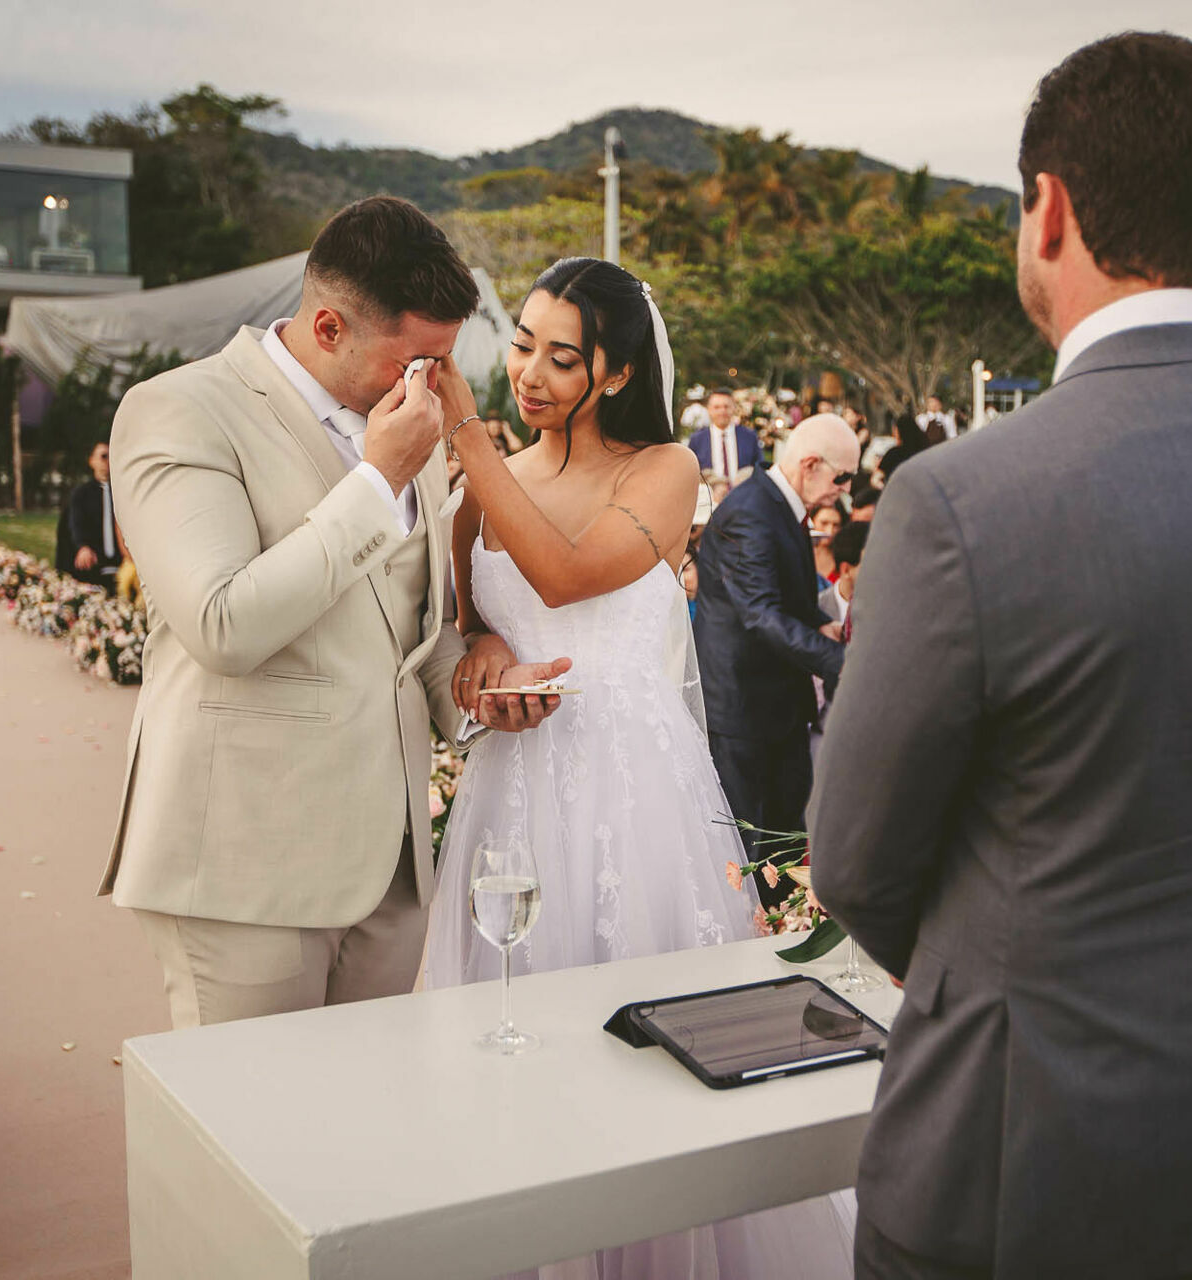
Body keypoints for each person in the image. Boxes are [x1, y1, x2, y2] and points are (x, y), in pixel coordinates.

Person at [810, 33, 1192, 1280]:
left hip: (1016, 1163)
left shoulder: (963, 498)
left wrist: (1015, 982)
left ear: (1050, 209)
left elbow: (856, 862)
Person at [422, 256, 854, 1278]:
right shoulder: (487, 480)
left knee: (646, 1053)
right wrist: (483, 669)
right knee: (513, 1040)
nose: (527, 371)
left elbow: (567, 574)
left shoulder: (662, 469)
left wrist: (470, 442)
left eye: (561, 356)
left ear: (615, 373)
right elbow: (471, 626)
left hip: (633, 794)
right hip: (512, 793)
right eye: (521, 342)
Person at [101, 197, 565, 1030]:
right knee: (248, 1137)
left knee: (360, 1134)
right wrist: (376, 481)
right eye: (414, 359)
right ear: (327, 328)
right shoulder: (181, 410)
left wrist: (474, 679)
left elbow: (406, 626)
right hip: (247, 867)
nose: (432, 382)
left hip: (389, 874)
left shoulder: (403, 425)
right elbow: (222, 625)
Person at [694, 414, 857, 902]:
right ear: (810, 465)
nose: (844, 492)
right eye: (842, 478)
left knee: (789, 845)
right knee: (754, 855)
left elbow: (784, 597)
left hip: (778, 706)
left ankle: (787, 931)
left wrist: (818, 622)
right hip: (745, 711)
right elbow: (761, 614)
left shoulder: (778, 504)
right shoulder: (752, 511)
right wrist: (845, 662)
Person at [55, 440, 123, 589]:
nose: (108, 461)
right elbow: (76, 523)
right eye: (103, 456)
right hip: (94, 559)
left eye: (112, 456)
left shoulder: (123, 493)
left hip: (121, 562)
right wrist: (82, 546)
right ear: (92, 461)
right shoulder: (81, 494)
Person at [687, 387, 760, 483]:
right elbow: (691, 474)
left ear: (734, 408)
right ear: (709, 409)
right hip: (709, 495)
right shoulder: (697, 439)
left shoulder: (749, 437)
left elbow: (759, 468)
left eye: (726, 406)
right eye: (717, 407)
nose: (722, 411)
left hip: (742, 494)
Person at [810, 503, 844, 581]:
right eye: (824, 523)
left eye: (836, 525)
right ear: (812, 522)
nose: (829, 531)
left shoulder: (844, 558)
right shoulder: (800, 553)